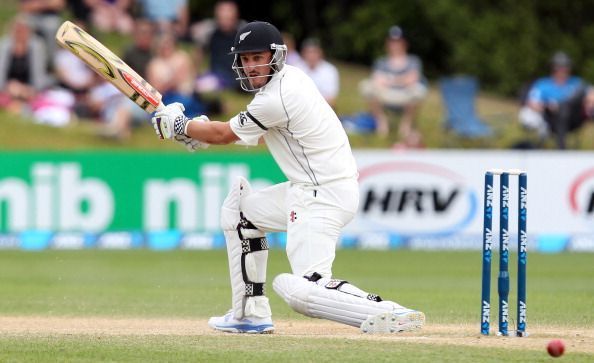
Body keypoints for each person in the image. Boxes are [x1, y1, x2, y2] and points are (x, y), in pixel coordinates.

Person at [150, 21, 425, 334]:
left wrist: (181, 127)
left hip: (322, 196)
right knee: (241, 212)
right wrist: (202, 131)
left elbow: (226, 133)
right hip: (309, 189)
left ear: (276, 56)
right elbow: (255, 132)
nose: (251, 66)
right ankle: (249, 313)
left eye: (258, 57)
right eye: (246, 59)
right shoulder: (290, 79)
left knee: (307, 289)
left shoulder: (277, 97)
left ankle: (388, 311)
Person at [359, 25, 427, 147]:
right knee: (366, 86)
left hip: (406, 94)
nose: (394, 45)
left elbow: (413, 79)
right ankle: (381, 121)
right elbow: (377, 80)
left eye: (397, 42)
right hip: (385, 94)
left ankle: (406, 124)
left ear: (404, 43)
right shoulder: (381, 61)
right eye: (392, 42)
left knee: (419, 89)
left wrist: (390, 79)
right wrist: (402, 79)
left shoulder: (413, 60)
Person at [518, 51, 591, 149]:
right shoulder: (543, 84)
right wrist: (548, 106)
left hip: (574, 119)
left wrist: (588, 104)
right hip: (551, 119)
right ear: (553, 68)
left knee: (577, 96)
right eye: (560, 67)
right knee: (563, 109)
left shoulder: (576, 82)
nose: (563, 70)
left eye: (566, 66)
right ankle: (561, 148)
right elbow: (532, 103)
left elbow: (591, 94)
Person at [193, 0, 245, 92]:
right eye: (222, 17)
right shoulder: (210, 32)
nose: (225, 20)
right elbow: (199, 52)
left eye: (228, 17)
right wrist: (196, 72)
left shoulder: (243, 32)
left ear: (235, 16)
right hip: (215, 74)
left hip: (236, 76)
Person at [296, 37, 339, 108]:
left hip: (323, 109)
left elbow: (331, 99)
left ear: (320, 53)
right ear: (303, 53)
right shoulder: (297, 68)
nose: (311, 55)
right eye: (308, 52)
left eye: (314, 52)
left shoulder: (330, 70)